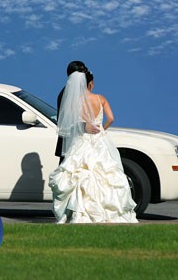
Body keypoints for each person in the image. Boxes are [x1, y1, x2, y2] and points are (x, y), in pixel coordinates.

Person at [49, 70, 138, 223]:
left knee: (80, 173)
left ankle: (79, 212)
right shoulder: (100, 98)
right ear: (91, 83)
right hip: (100, 139)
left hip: (82, 140)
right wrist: (102, 129)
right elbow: (111, 118)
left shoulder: (75, 101)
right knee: (106, 173)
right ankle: (107, 212)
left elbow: (68, 123)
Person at [55, 61, 100, 164]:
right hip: (72, 143)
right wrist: (84, 126)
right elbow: (66, 121)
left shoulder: (69, 92)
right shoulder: (68, 95)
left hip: (82, 142)